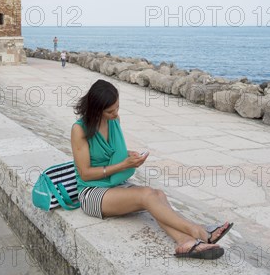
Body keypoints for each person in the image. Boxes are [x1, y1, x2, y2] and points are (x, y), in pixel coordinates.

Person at [71, 79, 233, 260]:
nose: (115, 113)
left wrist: (128, 155)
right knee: (146, 196)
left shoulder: (113, 120)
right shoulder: (80, 130)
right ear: (95, 109)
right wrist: (124, 165)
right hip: (91, 192)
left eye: (117, 107)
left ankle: (186, 242)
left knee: (158, 195)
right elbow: (85, 173)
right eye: (110, 111)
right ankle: (198, 230)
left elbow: (112, 152)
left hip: (115, 183)